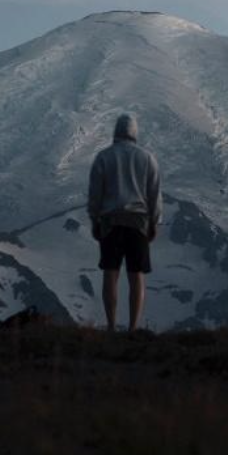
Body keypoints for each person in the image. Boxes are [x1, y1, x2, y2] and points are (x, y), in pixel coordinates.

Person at [87, 112, 162, 332]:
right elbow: (154, 194)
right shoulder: (147, 158)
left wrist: (94, 219)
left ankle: (110, 326)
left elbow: (95, 193)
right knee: (136, 275)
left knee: (110, 273)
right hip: (138, 222)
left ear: (116, 132)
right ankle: (132, 327)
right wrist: (154, 222)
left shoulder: (103, 157)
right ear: (135, 132)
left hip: (110, 221)